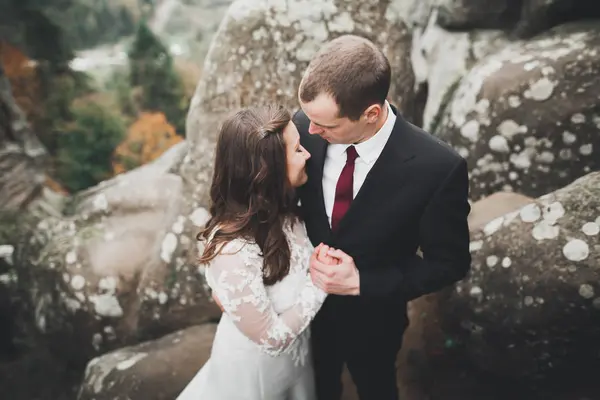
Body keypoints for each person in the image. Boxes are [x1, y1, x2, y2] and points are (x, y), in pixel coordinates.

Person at [293, 34, 472, 400]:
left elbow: (449, 262)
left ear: (371, 113)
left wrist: (362, 282)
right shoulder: (304, 127)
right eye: (308, 119)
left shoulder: (438, 168)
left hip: (375, 320)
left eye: (326, 125)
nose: (311, 131)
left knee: (376, 387)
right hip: (299, 314)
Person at [176, 105, 336, 400]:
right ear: (268, 172)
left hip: (298, 362)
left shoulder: (287, 210)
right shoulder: (233, 249)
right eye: (298, 150)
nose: (308, 155)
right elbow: (272, 338)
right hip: (257, 377)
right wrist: (320, 282)